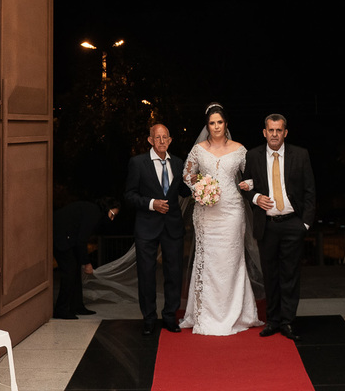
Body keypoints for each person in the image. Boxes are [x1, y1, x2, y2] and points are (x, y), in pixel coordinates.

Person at [180, 102, 263, 336]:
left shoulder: (239, 149)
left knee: (232, 261)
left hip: (232, 212)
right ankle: (205, 314)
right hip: (206, 213)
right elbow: (187, 174)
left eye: (219, 122)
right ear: (207, 126)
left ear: (226, 124)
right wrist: (199, 188)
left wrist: (249, 184)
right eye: (212, 123)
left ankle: (237, 312)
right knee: (208, 261)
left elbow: (252, 177)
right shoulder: (198, 150)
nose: (216, 127)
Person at [240, 113, 316, 341]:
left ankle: (288, 322)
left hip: (293, 223)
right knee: (270, 276)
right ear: (264, 132)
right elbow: (245, 187)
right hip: (267, 225)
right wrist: (256, 199)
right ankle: (272, 321)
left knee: (290, 275)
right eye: (270, 130)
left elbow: (310, 191)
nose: (274, 134)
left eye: (278, 130)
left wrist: (305, 224)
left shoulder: (300, 155)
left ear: (285, 132)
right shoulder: (252, 156)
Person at [124, 123, 190, 336]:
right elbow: (129, 195)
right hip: (146, 226)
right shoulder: (138, 163)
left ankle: (170, 316)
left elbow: (182, 190)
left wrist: (198, 184)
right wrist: (152, 203)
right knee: (146, 274)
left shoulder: (179, 163)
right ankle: (149, 318)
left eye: (165, 138)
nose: (162, 141)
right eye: (157, 138)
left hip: (172, 226)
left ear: (170, 140)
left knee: (174, 273)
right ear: (150, 140)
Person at [52, 196, 120, 320]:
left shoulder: (93, 211)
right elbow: (81, 240)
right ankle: (61, 309)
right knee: (69, 272)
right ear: (107, 209)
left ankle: (77, 306)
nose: (112, 219)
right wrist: (87, 263)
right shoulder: (93, 213)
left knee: (75, 271)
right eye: (112, 214)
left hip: (67, 239)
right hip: (60, 238)